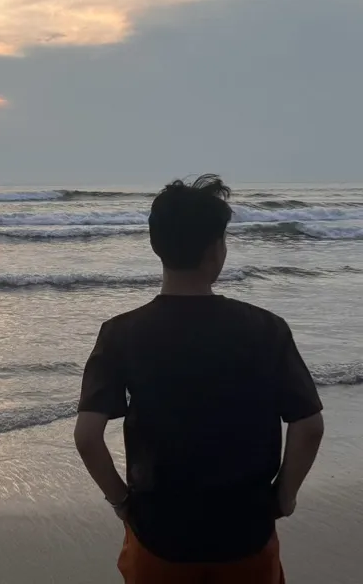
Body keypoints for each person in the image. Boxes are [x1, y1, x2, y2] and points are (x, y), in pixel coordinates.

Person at [74, 175, 324, 584]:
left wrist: (121, 501)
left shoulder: (121, 333)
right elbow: (309, 425)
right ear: (215, 250)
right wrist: (285, 494)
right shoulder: (266, 329)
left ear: (156, 244)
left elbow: (87, 437)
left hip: (159, 534)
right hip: (246, 531)